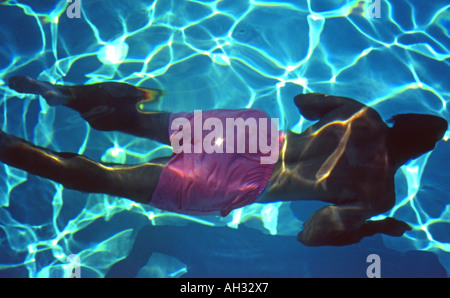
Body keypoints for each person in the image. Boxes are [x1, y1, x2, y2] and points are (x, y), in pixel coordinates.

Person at [2, 75, 447, 246]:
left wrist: (330, 112)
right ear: (421, 152)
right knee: (108, 179)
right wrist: (374, 228)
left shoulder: (361, 115)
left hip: (253, 134)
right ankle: (10, 147)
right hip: (245, 184)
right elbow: (310, 235)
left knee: (138, 123)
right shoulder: (380, 192)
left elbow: (304, 100)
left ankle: (68, 95)